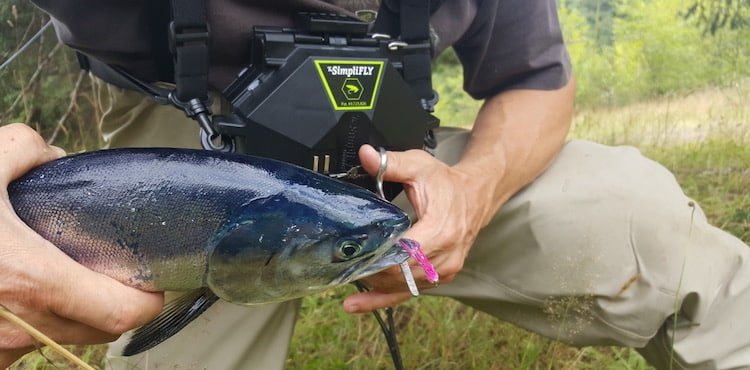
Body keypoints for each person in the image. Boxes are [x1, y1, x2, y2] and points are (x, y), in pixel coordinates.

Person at [2, 0, 749, 369]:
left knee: (644, 223)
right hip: (170, 150)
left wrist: (474, 189)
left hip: (398, 154)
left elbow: (536, 79)